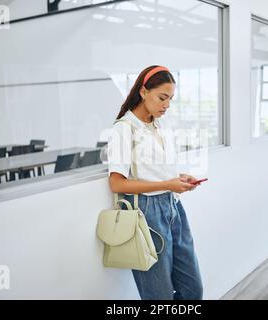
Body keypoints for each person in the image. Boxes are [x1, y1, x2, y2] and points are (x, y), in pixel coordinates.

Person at [107, 65, 203, 300]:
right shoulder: (123, 129)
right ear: (143, 92)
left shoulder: (158, 125)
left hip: (174, 208)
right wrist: (167, 185)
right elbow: (117, 184)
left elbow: (156, 171)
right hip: (147, 215)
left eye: (170, 99)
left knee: (193, 290)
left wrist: (179, 177)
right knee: (159, 296)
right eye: (162, 97)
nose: (166, 105)